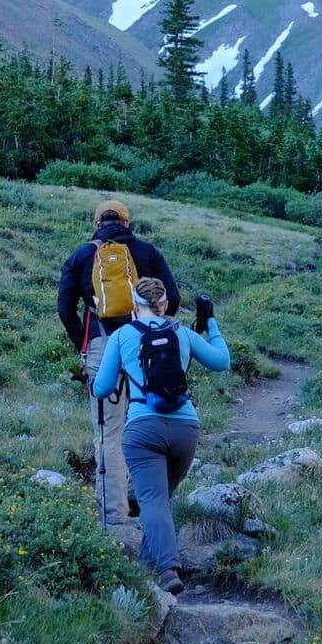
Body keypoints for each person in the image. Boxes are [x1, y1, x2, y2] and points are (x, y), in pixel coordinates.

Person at [91, 276, 230, 593]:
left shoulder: (123, 335)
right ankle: (143, 570)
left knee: (152, 499)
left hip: (143, 430)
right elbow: (222, 362)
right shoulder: (182, 332)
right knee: (160, 500)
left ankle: (168, 570)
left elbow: (102, 388)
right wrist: (210, 321)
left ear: (134, 306)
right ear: (165, 304)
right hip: (185, 429)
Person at [58, 200, 180, 526]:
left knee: (109, 432)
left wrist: (85, 344)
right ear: (127, 223)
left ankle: (114, 514)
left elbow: (65, 309)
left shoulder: (82, 256)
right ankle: (154, 504)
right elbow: (175, 299)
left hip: (101, 345)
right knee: (150, 420)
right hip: (146, 345)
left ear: (97, 224)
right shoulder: (147, 252)